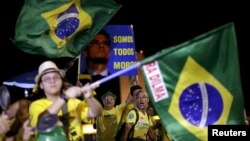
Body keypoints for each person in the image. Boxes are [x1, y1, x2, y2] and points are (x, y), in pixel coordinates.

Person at [29, 60, 103, 141]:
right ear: (41, 85)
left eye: (56, 77)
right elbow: (42, 121)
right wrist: (65, 96)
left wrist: (89, 97)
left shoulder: (74, 102)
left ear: (61, 81)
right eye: (47, 79)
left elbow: (97, 112)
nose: (52, 81)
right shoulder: (36, 105)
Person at [79, 30, 121, 105]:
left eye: (105, 43)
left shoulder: (119, 82)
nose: (101, 45)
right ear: (85, 51)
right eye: (95, 42)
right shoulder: (78, 80)